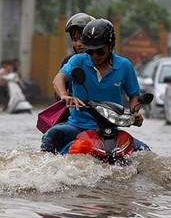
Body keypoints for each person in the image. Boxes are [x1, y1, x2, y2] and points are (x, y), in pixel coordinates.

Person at [41, 18, 148, 154]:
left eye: (100, 51)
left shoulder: (124, 65)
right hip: (78, 127)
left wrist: (134, 114)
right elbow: (59, 79)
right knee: (53, 135)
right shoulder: (77, 60)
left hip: (111, 129)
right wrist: (64, 96)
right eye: (90, 51)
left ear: (111, 45)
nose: (95, 56)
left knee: (145, 151)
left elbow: (134, 96)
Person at [58, 12, 95, 99]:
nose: (78, 44)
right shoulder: (69, 61)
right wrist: (64, 96)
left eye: (82, 39)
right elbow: (59, 83)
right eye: (75, 40)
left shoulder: (106, 60)